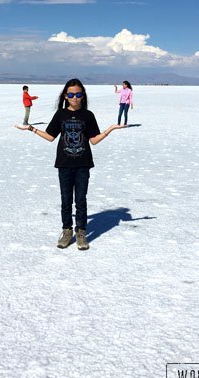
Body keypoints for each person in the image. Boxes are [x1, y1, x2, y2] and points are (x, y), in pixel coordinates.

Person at [15, 79, 125, 250]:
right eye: (71, 94)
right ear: (65, 96)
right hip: (64, 164)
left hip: (83, 164)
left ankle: (81, 231)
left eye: (78, 94)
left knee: (80, 200)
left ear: (83, 96)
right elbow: (51, 137)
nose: (75, 97)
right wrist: (31, 129)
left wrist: (110, 129)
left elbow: (94, 140)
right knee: (66, 200)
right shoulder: (60, 115)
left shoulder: (88, 115)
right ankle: (67, 231)